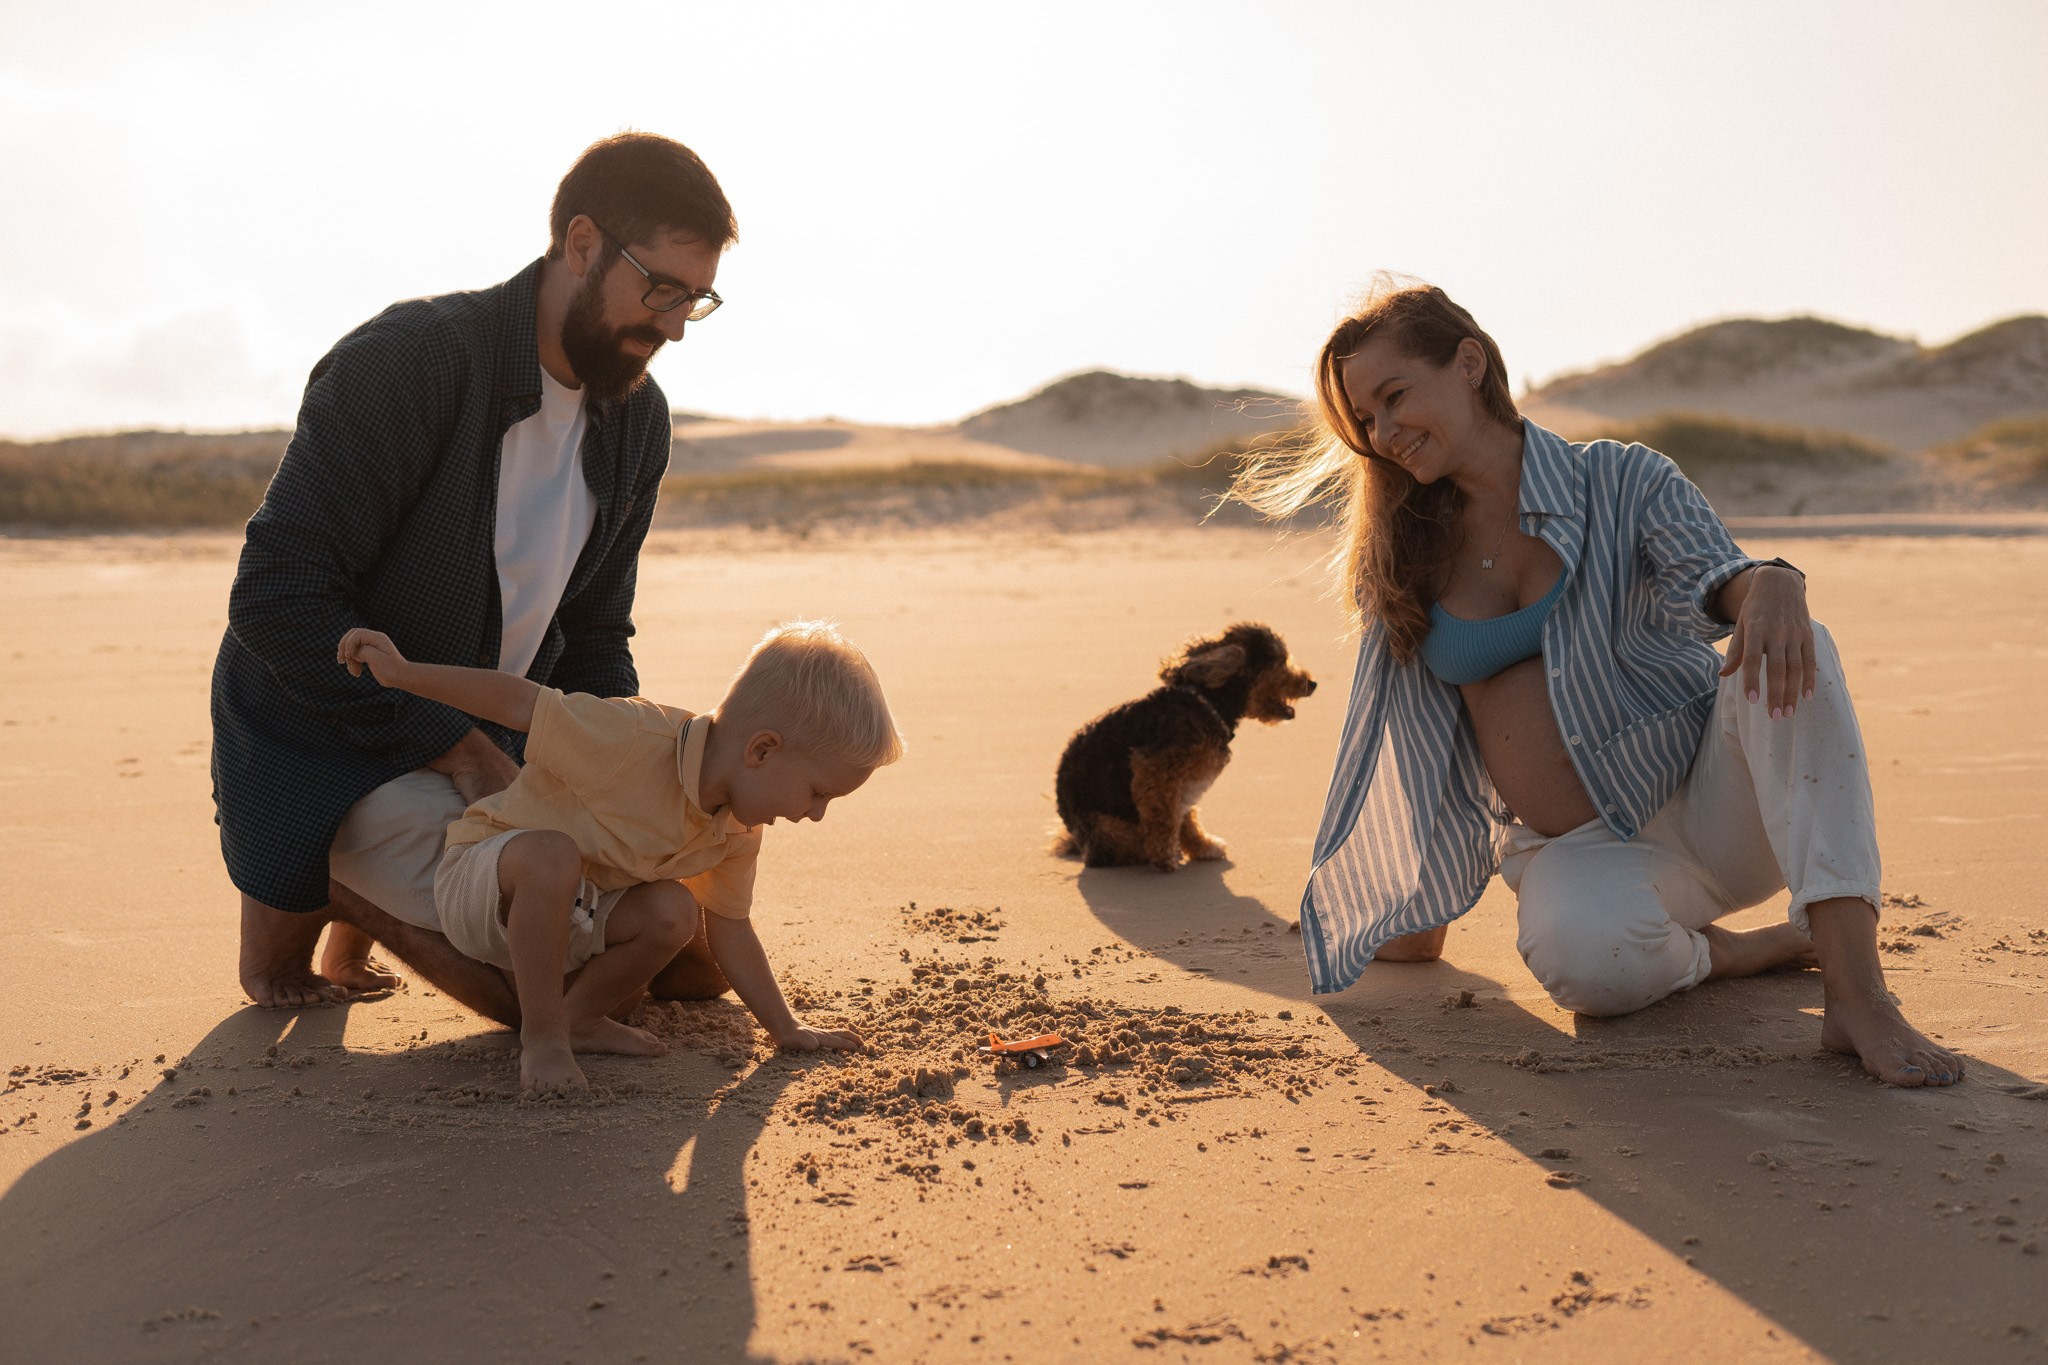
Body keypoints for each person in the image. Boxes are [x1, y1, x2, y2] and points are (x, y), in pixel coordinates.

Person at [1230, 281, 1962, 1088]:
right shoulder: (1407, 558)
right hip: (1582, 852)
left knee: (1796, 643)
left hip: (1713, 800)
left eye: (1395, 396)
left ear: (1468, 363)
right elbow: (1405, 745)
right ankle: (1745, 951)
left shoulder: (1620, 480)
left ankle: (1859, 997)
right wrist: (1406, 902)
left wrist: (1773, 581)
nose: (1384, 431)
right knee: (1588, 965)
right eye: (1365, 419)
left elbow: (1718, 578)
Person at [213, 132, 738, 1017]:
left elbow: (597, 639)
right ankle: (316, 874)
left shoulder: (636, 420)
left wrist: (631, 770)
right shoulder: (410, 361)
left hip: (495, 751)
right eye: (661, 289)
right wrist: (451, 746)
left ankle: (375, 881)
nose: (677, 324)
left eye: (699, 298)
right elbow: (277, 594)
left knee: (690, 951)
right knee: (549, 988)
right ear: (581, 245)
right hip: (332, 735)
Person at [335, 620, 899, 1091]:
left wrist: (786, 1029)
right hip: (484, 879)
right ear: (762, 749)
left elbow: (732, 929)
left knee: (675, 911)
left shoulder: (736, 831)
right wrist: (405, 674)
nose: (817, 814)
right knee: (552, 856)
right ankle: (544, 1039)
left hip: (579, 911)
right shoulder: (632, 739)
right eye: (818, 793)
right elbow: (520, 702)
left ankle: (577, 1020)